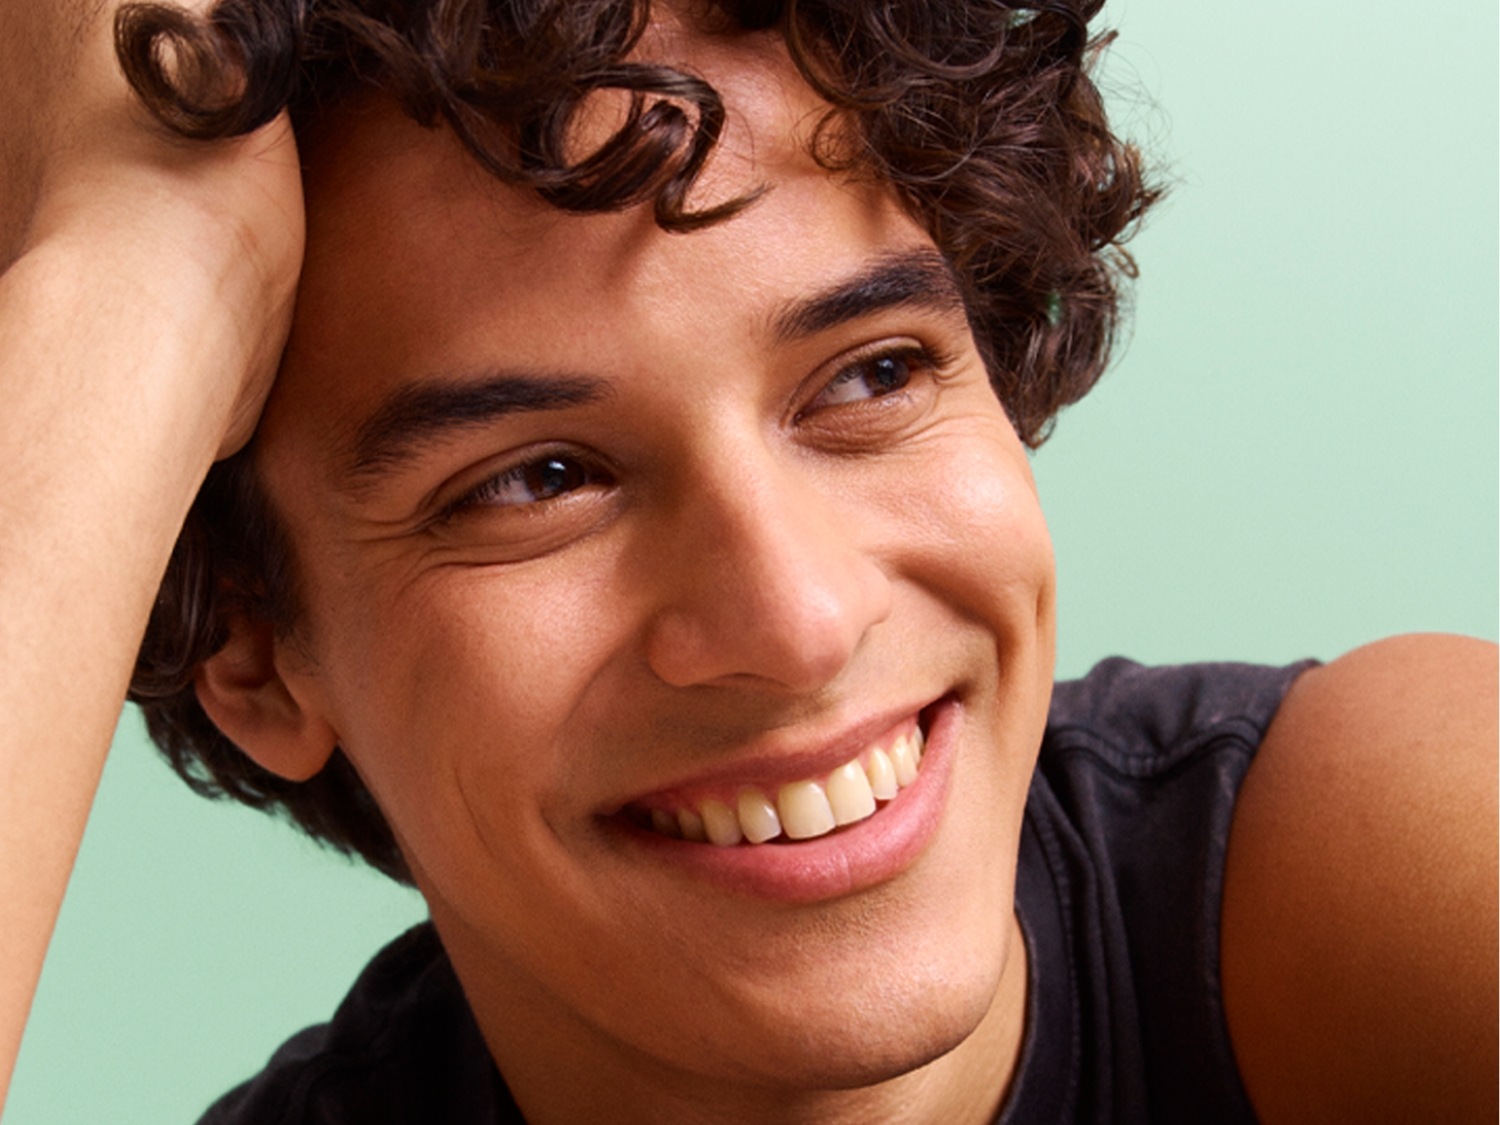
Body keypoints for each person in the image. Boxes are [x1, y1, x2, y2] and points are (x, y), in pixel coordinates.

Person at [0, 1, 1493, 1122]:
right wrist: (134, 268)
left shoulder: (1383, 870)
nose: (798, 620)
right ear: (255, 657)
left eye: (870, 374)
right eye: (540, 480)